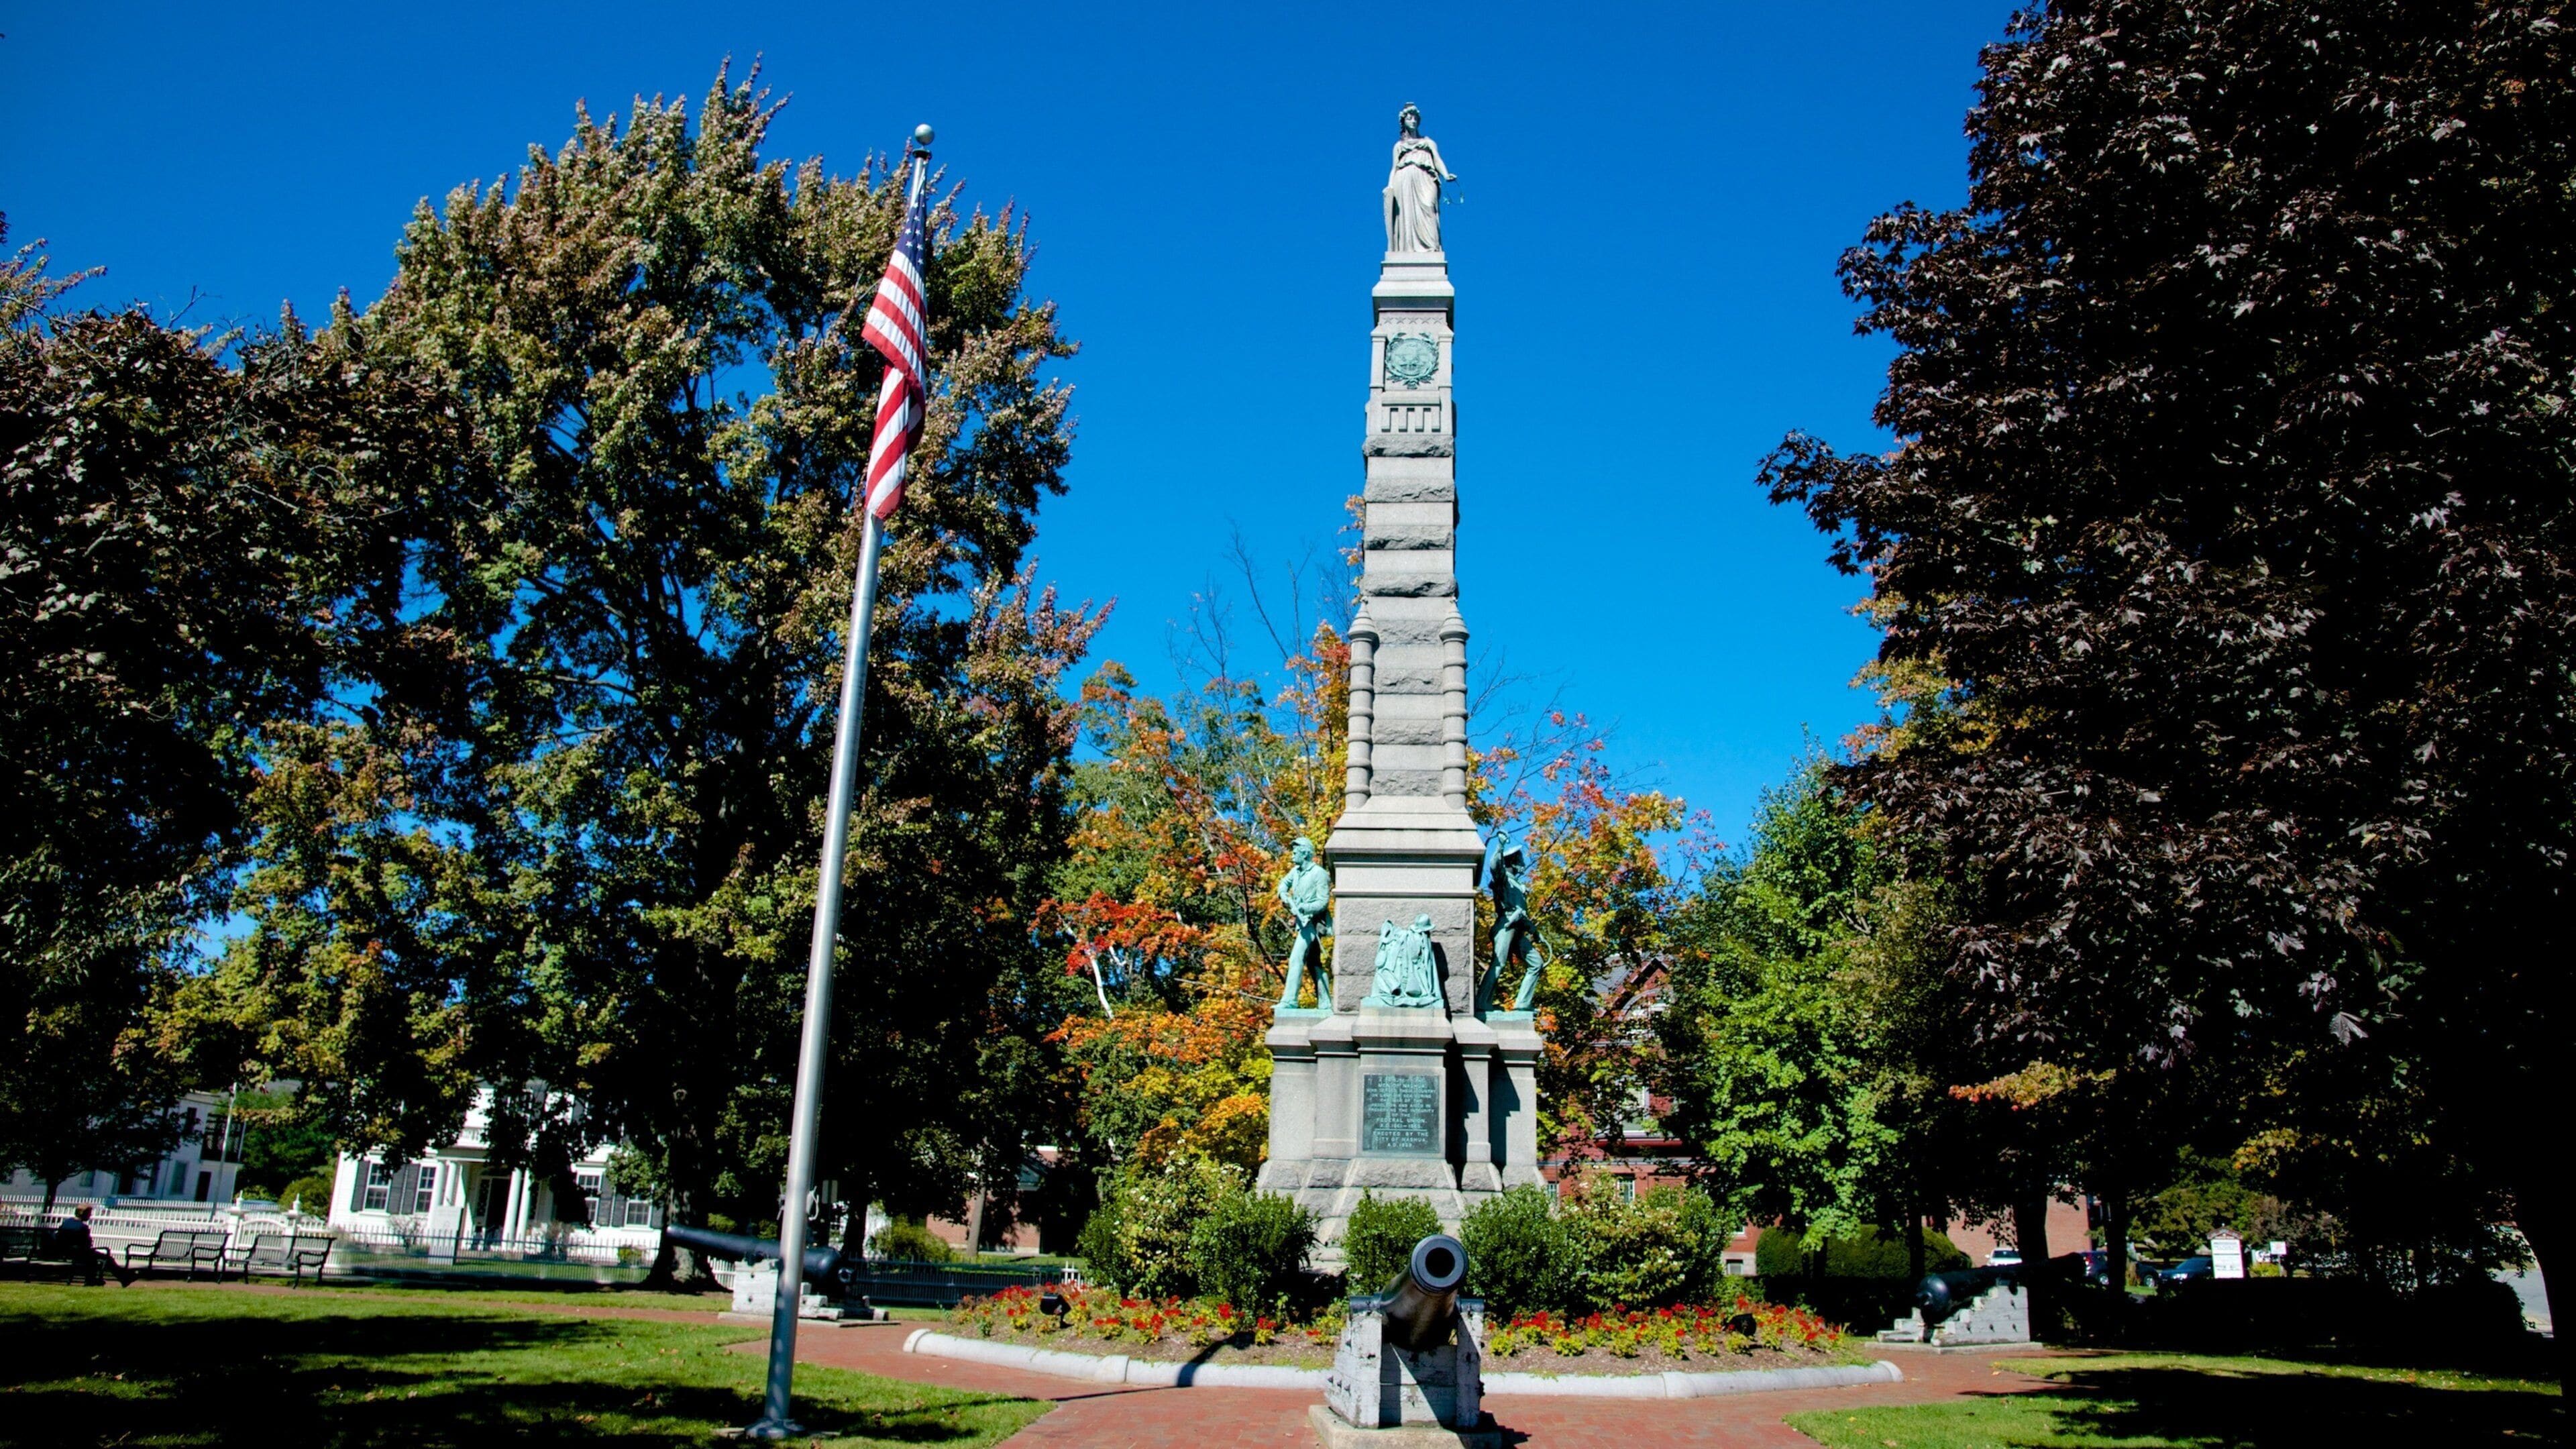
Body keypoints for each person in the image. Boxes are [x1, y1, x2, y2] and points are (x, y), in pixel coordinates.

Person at [1383, 104, 1458, 254]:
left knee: (1429, 207)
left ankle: (1431, 248)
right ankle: (1407, 250)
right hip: (1404, 180)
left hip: (1426, 178)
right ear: (1404, 122)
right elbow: (1394, 168)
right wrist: (1390, 187)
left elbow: (1437, 160)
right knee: (1406, 216)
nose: (1413, 121)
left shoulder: (1428, 142)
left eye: (1415, 119)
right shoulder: (1399, 146)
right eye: (1409, 118)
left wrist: (1446, 174)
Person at [1274, 837, 1332, 1008]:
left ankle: (1290, 1000)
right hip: (1303, 924)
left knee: (1296, 957)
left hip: (1314, 923)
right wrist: (1284, 895)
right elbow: (1283, 885)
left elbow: (1323, 901)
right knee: (1313, 963)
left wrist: (1304, 908)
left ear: (1305, 853)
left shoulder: (1319, 874)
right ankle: (1325, 1002)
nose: (1292, 855)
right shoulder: (1295, 871)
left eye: (1295, 852)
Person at [56, 1205, 133, 1287]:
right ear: (83, 1214)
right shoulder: (83, 1227)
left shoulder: (67, 1222)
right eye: (89, 1213)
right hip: (79, 1252)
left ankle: (94, 1279)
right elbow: (87, 1244)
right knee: (106, 1258)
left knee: (92, 1257)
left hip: (65, 1251)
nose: (90, 1215)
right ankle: (123, 1278)